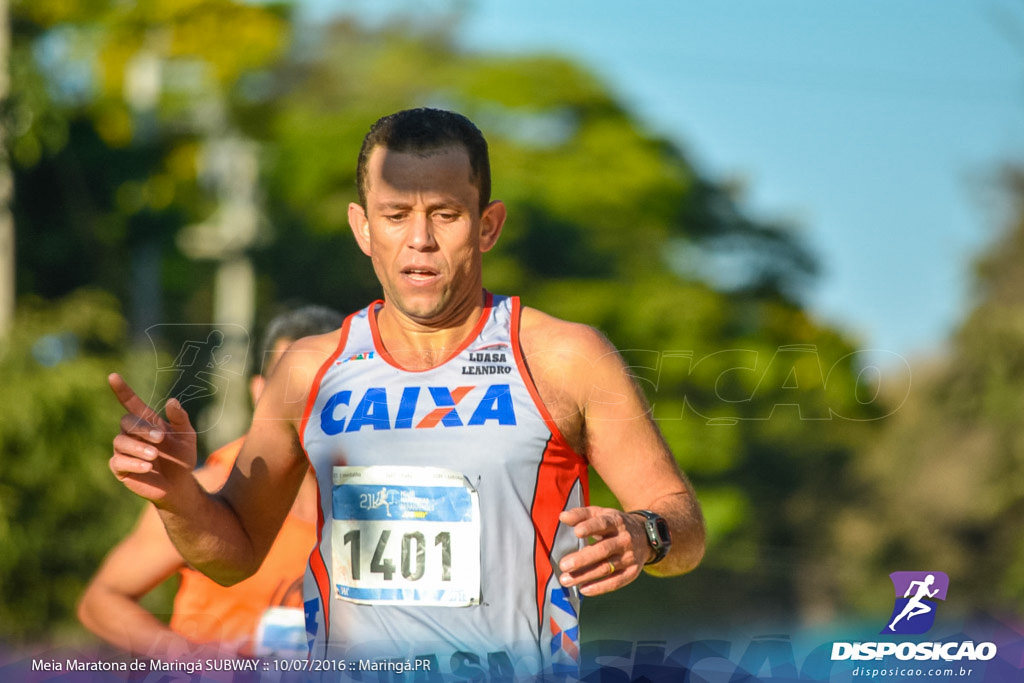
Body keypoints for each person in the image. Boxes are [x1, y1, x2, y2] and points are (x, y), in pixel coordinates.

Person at [107, 108, 706, 678]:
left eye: (445, 214)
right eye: (396, 215)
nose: (419, 239)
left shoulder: (565, 356)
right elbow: (233, 555)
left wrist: (646, 535)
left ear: (488, 224)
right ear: (363, 227)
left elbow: (684, 524)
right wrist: (177, 494)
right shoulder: (307, 368)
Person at [80, 305, 343, 660]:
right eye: (290, 383)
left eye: (322, 386)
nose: (303, 400)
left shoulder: (377, 495)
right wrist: (194, 662)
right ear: (259, 391)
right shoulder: (205, 491)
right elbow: (102, 601)